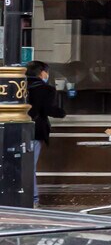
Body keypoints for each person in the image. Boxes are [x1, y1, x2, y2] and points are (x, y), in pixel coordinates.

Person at [25, 61, 64, 206]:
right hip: (35, 131)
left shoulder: (17, 86)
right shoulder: (46, 89)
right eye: (46, 72)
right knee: (30, 166)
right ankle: (33, 199)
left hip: (16, 130)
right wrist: (62, 112)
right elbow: (49, 109)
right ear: (42, 73)